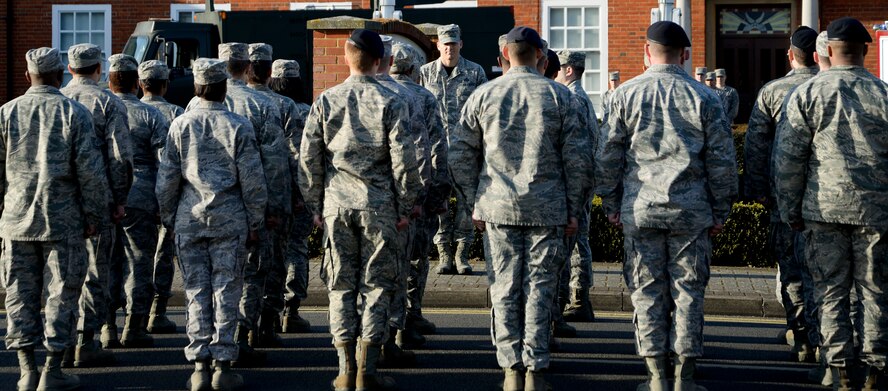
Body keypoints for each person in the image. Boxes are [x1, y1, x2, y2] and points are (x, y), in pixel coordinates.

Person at [596, 21, 737, 391]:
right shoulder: (705, 98)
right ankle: (684, 375)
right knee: (688, 291)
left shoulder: (623, 95)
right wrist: (721, 210)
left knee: (646, 290)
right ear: (686, 55)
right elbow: (722, 161)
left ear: (646, 50)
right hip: (690, 212)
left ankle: (656, 375)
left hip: (641, 209)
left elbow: (607, 157)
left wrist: (611, 203)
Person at [451, 26, 591, 390]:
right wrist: (575, 209)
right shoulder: (562, 97)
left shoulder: (483, 95)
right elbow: (579, 161)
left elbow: (460, 155)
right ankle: (534, 369)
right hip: (548, 208)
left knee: (504, 287)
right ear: (542, 59)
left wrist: (473, 201)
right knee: (541, 287)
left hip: (497, 208)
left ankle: (511, 369)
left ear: (502, 59)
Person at [299, 29, 420, 391]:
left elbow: (309, 159)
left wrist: (316, 205)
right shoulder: (393, 101)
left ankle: (344, 369)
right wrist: (405, 204)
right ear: (381, 61)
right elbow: (404, 160)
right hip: (379, 207)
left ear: (349, 57)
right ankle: (367, 370)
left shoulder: (326, 100)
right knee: (377, 287)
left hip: (338, 205)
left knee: (340, 287)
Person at [775, 17, 888, 390]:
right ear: (866, 51)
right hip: (876, 211)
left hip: (822, 210)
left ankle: (838, 369)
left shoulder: (806, 95)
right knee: (875, 291)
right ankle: (875, 370)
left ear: (828, 50)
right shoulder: (883, 94)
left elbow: (789, 161)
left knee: (829, 291)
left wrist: (789, 210)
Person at [157, 57, 268, 391]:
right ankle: (222, 364)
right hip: (229, 219)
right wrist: (256, 220)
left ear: (196, 87)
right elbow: (253, 181)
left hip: (189, 219)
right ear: (223, 89)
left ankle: (199, 366)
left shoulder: (180, 125)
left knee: (195, 290)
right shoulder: (238, 126)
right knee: (226, 289)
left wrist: (168, 218)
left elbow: (167, 179)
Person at [1, 47, 109, 391]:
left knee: (18, 294)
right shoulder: (73, 112)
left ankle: (25, 369)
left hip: (16, 218)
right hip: (62, 218)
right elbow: (90, 173)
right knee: (61, 294)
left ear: (26, 75)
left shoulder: (6, 112)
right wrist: (95, 214)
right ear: (60, 72)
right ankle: (52, 369)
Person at [189, 42, 289, 366]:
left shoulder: (192, 106)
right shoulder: (261, 104)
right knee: (251, 273)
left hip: (199, 210)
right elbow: (273, 166)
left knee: (207, 282)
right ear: (247, 67)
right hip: (243, 207)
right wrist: (271, 211)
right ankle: (242, 335)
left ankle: (212, 346)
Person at [744, 26, 819, 364]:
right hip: (831, 200)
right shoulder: (831, 87)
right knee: (831, 276)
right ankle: (830, 343)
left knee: (791, 272)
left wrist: (756, 190)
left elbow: (756, 147)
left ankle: (802, 337)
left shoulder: (774, 91)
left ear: (790, 55)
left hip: (784, 198)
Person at [60, 43, 133, 361]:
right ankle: (86, 341)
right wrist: (119, 199)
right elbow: (121, 157)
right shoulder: (108, 102)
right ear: (98, 68)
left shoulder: (57, 99)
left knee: (60, 274)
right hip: (97, 200)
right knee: (95, 270)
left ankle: (60, 342)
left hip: (58, 201)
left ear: (69, 68)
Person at [107, 54, 171, 351]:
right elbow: (165, 164)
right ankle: (134, 326)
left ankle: (107, 327)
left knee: (106, 261)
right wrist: (164, 201)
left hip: (106, 195)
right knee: (139, 261)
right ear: (136, 82)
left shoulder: (101, 109)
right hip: (141, 195)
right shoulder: (151, 116)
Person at [373, 35, 429, 365]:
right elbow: (429, 149)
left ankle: (362, 348)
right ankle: (398, 330)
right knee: (407, 263)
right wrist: (421, 198)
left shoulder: (345, 95)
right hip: (404, 198)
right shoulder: (419, 96)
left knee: (368, 276)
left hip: (356, 204)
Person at [390, 42, 450, 342]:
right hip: (419, 194)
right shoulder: (424, 97)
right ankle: (409, 319)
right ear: (414, 70)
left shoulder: (380, 93)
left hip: (384, 196)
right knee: (415, 259)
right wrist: (438, 195)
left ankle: (391, 327)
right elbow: (438, 149)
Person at [420, 24, 487, 276]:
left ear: (461, 44)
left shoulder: (475, 72)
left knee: (466, 204)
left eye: (453, 43)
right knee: (439, 202)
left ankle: (462, 252)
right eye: (445, 44)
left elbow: (484, 111)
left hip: (466, 151)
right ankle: (443, 253)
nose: (449, 48)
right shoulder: (426, 74)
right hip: (436, 150)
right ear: (438, 45)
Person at [244, 42, 297, 348]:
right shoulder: (280, 106)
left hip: (230, 203)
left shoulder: (227, 100)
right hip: (268, 198)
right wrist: (281, 204)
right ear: (267, 70)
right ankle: (265, 324)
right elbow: (284, 160)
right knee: (272, 264)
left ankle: (241, 330)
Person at [267, 59, 314, 334]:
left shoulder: (267, 107)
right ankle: (291, 310)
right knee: (297, 248)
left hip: (270, 192)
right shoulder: (308, 112)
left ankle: (269, 310)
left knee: (272, 251)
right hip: (298, 191)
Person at [137, 59, 184, 334]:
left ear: (141, 84)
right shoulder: (175, 112)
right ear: (165, 85)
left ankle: (134, 315)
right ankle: (158, 311)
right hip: (165, 192)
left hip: (135, 193)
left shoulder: (129, 110)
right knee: (163, 253)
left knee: (136, 256)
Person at [555, 50, 599, 324]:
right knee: (578, 240)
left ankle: (580, 297)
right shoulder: (580, 98)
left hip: (577, 180)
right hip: (582, 179)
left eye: (559, 67)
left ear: (569, 70)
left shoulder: (573, 98)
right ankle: (579, 297)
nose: (555, 72)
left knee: (577, 242)